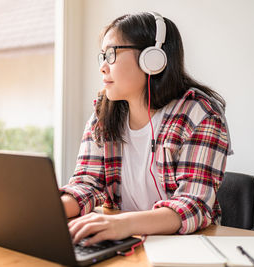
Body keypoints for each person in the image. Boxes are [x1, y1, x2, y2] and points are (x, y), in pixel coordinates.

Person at [60, 11, 233, 247]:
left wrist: (125, 224)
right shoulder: (104, 113)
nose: (103, 67)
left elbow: (193, 205)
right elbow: (87, 185)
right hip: (128, 243)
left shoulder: (199, 115)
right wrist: (47, 209)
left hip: (187, 248)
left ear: (152, 59)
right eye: (102, 56)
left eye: (111, 54)